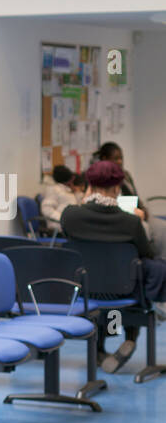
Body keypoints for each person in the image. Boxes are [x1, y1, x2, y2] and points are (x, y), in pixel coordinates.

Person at [59, 160, 166, 373]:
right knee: (135, 272)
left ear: (89, 185)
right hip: (123, 289)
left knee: (104, 282)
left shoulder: (70, 216)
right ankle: (130, 338)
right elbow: (146, 253)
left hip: (86, 289)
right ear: (117, 188)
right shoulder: (130, 222)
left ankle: (99, 351)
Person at [39, 165, 81, 230]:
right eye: (71, 179)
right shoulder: (54, 190)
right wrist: (61, 218)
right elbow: (46, 209)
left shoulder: (67, 190)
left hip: (69, 223)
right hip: (59, 225)